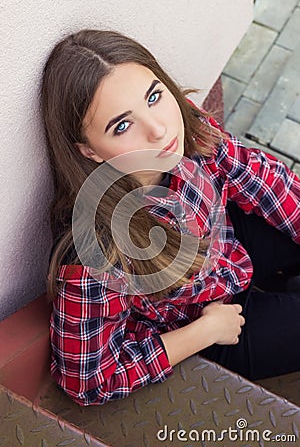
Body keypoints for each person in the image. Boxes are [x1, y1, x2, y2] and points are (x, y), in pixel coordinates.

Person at [41, 29, 300, 407]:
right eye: (122, 126)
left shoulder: (185, 129)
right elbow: (88, 380)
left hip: (230, 253)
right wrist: (204, 332)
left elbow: (260, 177)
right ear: (89, 151)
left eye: (154, 96)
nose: (159, 128)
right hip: (205, 321)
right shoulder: (94, 255)